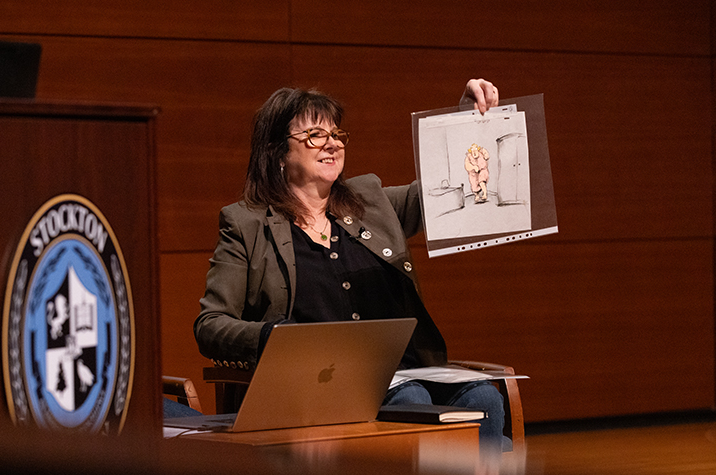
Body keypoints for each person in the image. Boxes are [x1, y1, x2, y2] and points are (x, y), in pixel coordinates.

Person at [193, 79, 507, 457]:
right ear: (278, 152)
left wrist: (468, 122)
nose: (332, 143)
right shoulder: (246, 224)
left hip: (407, 371)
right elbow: (210, 324)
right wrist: (272, 336)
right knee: (412, 400)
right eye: (315, 135)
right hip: (322, 385)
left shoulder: (369, 201)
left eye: (336, 134)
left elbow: (449, 190)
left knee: (484, 399)